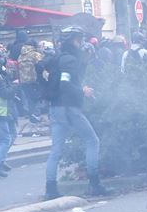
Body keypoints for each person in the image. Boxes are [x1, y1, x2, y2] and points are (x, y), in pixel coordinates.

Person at [44, 26, 107, 199]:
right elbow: (66, 84)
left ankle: (50, 189)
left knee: (56, 150)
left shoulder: (57, 58)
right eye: (79, 39)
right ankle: (94, 184)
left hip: (55, 108)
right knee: (92, 140)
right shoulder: (70, 60)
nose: (81, 43)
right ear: (73, 41)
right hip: (69, 108)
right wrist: (82, 91)